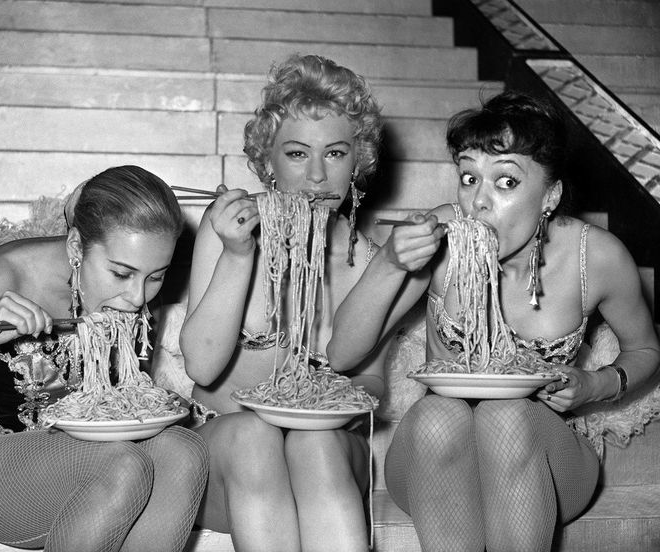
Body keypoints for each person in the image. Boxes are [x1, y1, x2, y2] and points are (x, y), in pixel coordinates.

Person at [329, 91, 660, 551]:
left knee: (506, 416)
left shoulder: (596, 257)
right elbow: (341, 354)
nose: (477, 202)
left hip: (549, 458)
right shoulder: (439, 236)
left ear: (551, 196)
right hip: (434, 454)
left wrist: (593, 385)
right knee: (439, 416)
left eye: (505, 182)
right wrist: (387, 263)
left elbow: (645, 350)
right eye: (468, 177)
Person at [0, 165, 209, 552]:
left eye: (156, 276)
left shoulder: (134, 290)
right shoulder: (10, 274)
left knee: (184, 451)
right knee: (125, 465)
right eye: (121, 273)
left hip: (92, 456)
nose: (139, 297)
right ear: (76, 247)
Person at [178, 54, 399, 552]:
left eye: (336, 153)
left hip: (328, 449)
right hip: (228, 446)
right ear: (268, 162)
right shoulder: (231, 227)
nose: (317, 176)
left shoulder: (370, 260)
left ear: (358, 161)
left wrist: (324, 405)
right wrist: (238, 257)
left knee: (313, 443)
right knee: (256, 438)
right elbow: (202, 366)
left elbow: (374, 379)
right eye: (298, 154)